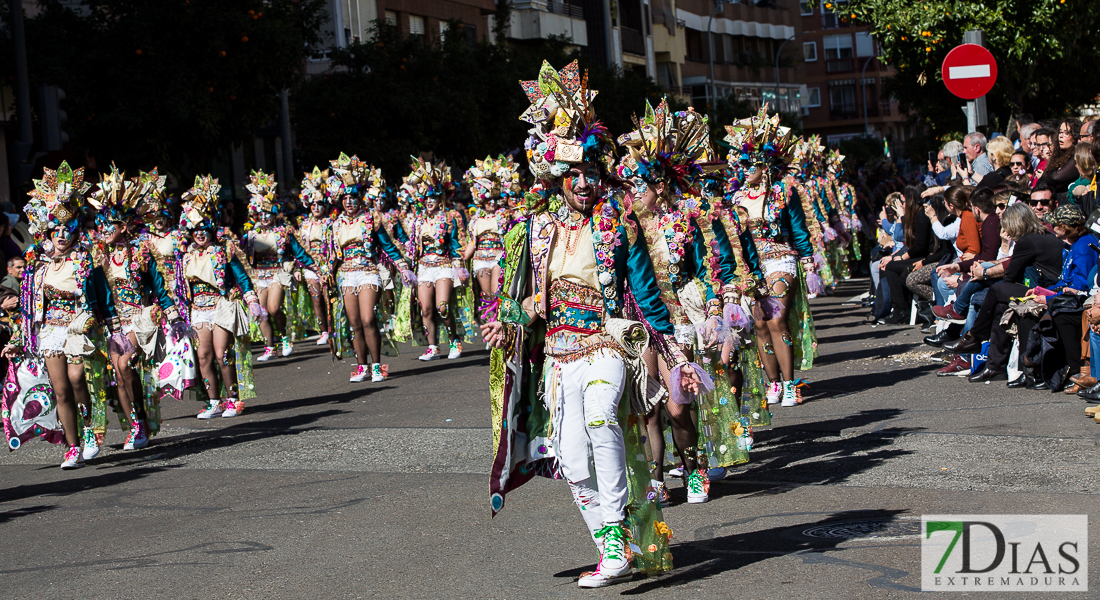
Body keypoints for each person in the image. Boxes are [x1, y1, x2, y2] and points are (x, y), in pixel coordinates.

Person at [484, 60, 685, 588]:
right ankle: (609, 547)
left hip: (606, 343)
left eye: (594, 173)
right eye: (576, 174)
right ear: (556, 177)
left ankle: (616, 542)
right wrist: (508, 324)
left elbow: (644, 288)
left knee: (601, 418)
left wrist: (669, 345)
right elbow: (515, 298)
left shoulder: (618, 225)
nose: (587, 183)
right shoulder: (532, 229)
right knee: (571, 459)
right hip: (556, 353)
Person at [3, 162, 108, 468]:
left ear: (75, 232)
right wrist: (19, 340)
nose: (61, 234)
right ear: (47, 233)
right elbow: (29, 309)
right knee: (61, 390)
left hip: (78, 328)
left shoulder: (85, 263)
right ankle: (72, 446)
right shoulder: (38, 267)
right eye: (56, 230)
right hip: (50, 330)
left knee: (77, 380)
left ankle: (90, 432)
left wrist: (113, 332)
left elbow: (103, 300)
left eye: (67, 229)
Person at [86, 165, 185, 455]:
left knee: (127, 365)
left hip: (141, 318)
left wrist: (174, 316)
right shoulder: (99, 257)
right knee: (117, 372)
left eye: (110, 226)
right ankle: (135, 426)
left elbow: (159, 286)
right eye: (101, 225)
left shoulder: (142, 254)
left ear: (124, 226)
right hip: (115, 321)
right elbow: (96, 293)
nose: (103, 230)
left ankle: (141, 422)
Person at [726, 105, 819, 403]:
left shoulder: (783, 191)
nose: (744, 170)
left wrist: (809, 261)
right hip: (754, 266)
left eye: (750, 164)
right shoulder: (736, 197)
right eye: (741, 164)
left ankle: (791, 383)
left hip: (780, 259)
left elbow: (798, 228)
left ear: (765, 164)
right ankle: (774, 382)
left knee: (776, 318)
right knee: (760, 323)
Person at [945, 203, 1065, 381]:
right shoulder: (1044, 235)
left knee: (996, 290)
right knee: (1000, 305)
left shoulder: (1027, 241)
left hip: (1045, 291)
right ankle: (995, 366)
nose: (1006, 231)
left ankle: (974, 337)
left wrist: (990, 278)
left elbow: (1010, 276)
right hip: (1047, 287)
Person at [178, 176, 263, 419]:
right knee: (202, 356)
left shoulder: (223, 250)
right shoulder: (185, 256)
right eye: (196, 230)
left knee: (221, 353)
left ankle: (233, 399)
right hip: (198, 309)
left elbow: (241, 277)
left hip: (221, 306)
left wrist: (252, 300)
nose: (200, 234)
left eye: (205, 229)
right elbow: (182, 288)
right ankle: (213, 401)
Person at [328, 154, 414, 382]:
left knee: (368, 319)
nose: (349, 202)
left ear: (360, 199)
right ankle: (361, 366)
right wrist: (324, 273)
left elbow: (388, 246)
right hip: (346, 274)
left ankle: (376, 365)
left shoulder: (370, 219)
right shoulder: (335, 225)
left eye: (353, 198)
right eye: (345, 198)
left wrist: (403, 267)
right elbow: (332, 256)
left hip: (368, 271)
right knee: (354, 324)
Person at [398, 158, 474, 361]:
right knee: (426, 309)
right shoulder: (418, 220)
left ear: (440, 197)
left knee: (443, 306)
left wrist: (459, 266)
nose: (429, 201)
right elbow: (413, 247)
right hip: (424, 267)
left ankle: (453, 340)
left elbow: (458, 242)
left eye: (433, 197)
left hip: (444, 266)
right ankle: (433, 346)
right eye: (426, 198)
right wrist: (406, 263)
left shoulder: (452, 217)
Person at [241, 170, 316, 362]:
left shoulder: (283, 232)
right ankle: (270, 346)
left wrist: (313, 267)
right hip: (259, 275)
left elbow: (299, 253)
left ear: (274, 214)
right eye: (261, 214)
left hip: (277, 273)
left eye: (268, 213)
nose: (264, 217)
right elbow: (240, 257)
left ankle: (284, 337)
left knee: (274, 308)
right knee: (261, 312)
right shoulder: (249, 235)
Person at [880, 184, 934, 324]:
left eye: (903, 201)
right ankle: (894, 307)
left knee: (892, 266)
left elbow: (919, 246)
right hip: (918, 254)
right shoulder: (916, 214)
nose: (901, 204)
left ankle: (901, 310)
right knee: (889, 263)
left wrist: (902, 257)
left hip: (925, 256)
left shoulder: (922, 214)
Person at [296, 166, 335, 346]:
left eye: (320, 204)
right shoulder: (304, 225)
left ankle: (335, 329)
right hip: (311, 266)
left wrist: (332, 264)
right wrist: (298, 267)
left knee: (329, 299)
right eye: (313, 205)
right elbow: (300, 249)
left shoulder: (332, 223)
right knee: (316, 299)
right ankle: (324, 331)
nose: (316, 208)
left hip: (328, 264)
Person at [1041, 118, 1084, 194]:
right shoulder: (1058, 156)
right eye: (1060, 132)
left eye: (1066, 133)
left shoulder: (1076, 157)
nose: (1061, 136)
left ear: (1075, 136)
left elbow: (1056, 177)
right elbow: (1043, 179)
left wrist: (1051, 174)